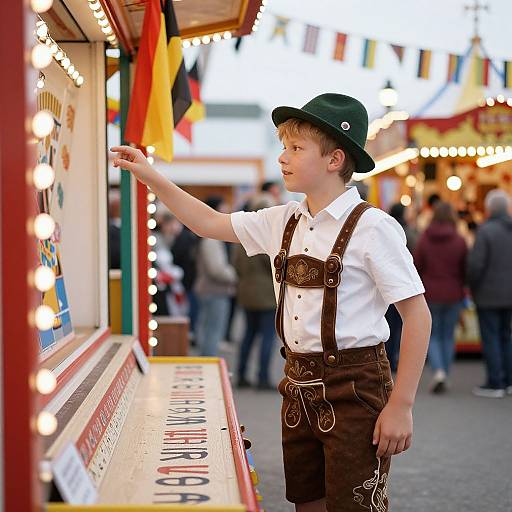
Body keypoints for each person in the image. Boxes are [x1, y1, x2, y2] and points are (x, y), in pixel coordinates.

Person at [111, 92, 431, 512]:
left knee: (354, 505)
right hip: (295, 382)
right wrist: (151, 175)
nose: (283, 157)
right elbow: (208, 222)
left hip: (357, 387)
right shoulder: (282, 220)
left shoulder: (374, 228)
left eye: (296, 148)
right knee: (306, 501)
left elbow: (418, 316)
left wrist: (401, 406)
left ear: (335, 160)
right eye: (283, 146)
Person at [414, 202, 467, 393]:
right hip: (453, 292)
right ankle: (445, 371)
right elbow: (465, 269)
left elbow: (416, 265)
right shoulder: (460, 240)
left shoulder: (424, 239)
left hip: (430, 293)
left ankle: (438, 372)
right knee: (448, 335)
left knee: (434, 335)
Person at [467, 189, 512, 398]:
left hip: (488, 294)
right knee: (507, 336)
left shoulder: (486, 231)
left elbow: (476, 265)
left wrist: (472, 287)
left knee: (492, 337)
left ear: (489, 208)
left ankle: (495, 382)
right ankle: (509, 381)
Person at [233, 194, 277, 390]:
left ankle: (241, 374)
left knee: (248, 335)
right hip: (267, 293)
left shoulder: (241, 235)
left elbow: (235, 264)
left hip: (246, 291)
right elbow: (274, 265)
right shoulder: (266, 236)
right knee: (267, 337)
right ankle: (263, 377)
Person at [193, 196, 237, 356]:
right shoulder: (211, 239)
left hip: (211, 290)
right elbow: (217, 269)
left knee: (208, 330)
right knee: (212, 332)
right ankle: (208, 362)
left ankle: (206, 360)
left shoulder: (208, 236)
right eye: (223, 207)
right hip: (214, 291)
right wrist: (234, 275)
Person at [385, 202, 419, 372]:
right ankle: (396, 357)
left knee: (390, 322)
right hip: (404, 283)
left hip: (385, 284)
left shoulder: (385, 229)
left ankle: (389, 356)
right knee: (401, 323)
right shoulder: (410, 233)